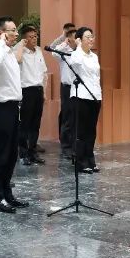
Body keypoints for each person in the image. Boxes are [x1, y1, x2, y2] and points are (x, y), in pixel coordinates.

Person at [0, 16, 29, 214]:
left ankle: (7, 193)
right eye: (12, 31)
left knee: (11, 155)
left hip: (12, 108)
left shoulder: (9, 52)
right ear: (1, 33)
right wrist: (1, 42)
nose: (16, 34)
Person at [67, 27, 102, 173]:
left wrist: (99, 94)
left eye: (92, 36)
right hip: (80, 96)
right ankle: (80, 162)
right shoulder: (76, 54)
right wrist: (78, 47)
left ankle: (90, 159)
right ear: (80, 40)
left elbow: (96, 77)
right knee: (80, 131)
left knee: (91, 131)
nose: (91, 39)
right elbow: (74, 64)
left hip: (95, 96)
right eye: (87, 37)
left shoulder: (94, 56)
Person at [18, 25, 48, 166]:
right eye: (31, 37)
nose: (34, 39)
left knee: (35, 124)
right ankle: (23, 154)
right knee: (25, 124)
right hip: (26, 91)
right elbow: (17, 62)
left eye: (35, 36)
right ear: (24, 39)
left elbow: (44, 73)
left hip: (38, 90)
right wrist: (20, 45)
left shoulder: (39, 51)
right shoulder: (19, 51)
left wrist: (44, 92)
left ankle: (33, 152)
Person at [50, 23, 77, 159]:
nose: (75, 39)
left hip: (78, 87)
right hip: (67, 87)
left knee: (76, 117)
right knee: (67, 116)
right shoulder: (63, 51)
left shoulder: (80, 52)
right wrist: (64, 40)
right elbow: (53, 51)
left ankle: (74, 144)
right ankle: (66, 146)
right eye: (73, 36)